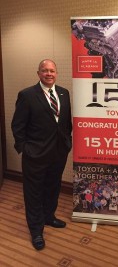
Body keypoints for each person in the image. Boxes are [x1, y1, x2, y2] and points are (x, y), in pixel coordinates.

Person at [11, 59, 72, 251]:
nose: (49, 74)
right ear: (38, 73)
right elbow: (17, 126)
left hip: (58, 152)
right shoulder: (27, 95)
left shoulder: (64, 93)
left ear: (56, 73)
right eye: (45, 71)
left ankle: (49, 217)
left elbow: (64, 123)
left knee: (53, 187)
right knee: (33, 193)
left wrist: (67, 143)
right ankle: (36, 230)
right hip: (35, 155)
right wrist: (24, 148)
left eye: (52, 71)